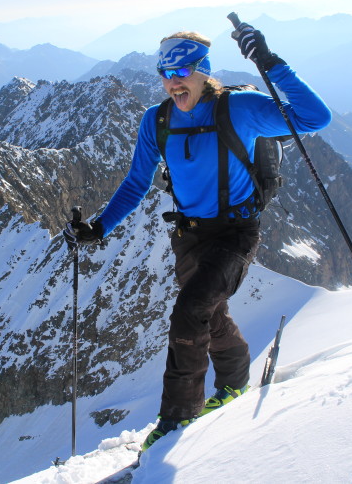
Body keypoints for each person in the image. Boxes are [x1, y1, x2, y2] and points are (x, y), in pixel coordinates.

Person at [64, 23, 332, 451]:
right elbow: (136, 183)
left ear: (204, 71)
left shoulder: (238, 109)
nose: (172, 81)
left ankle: (176, 421)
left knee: (190, 311)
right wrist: (98, 227)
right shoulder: (158, 121)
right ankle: (236, 377)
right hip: (188, 237)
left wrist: (269, 63)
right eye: (164, 72)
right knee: (210, 311)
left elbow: (316, 118)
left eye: (182, 70)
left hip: (236, 233)